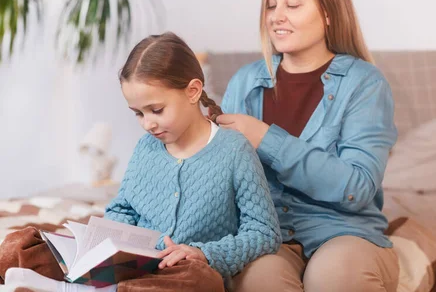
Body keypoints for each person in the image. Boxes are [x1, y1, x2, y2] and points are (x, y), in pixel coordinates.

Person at [0, 32, 282, 292]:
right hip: (128, 262)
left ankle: (69, 287)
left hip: (180, 267)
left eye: (156, 110)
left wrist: (204, 253)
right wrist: (110, 242)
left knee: (198, 280)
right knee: (20, 244)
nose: (148, 124)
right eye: (138, 113)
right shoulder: (147, 148)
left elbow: (264, 232)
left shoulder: (234, 150)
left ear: (193, 91)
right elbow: (122, 208)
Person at [215, 0, 400, 292]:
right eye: (271, 5)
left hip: (344, 233)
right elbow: (222, 180)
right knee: (257, 280)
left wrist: (264, 138)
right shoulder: (244, 82)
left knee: (333, 278)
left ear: (328, 13)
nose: (277, 17)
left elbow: (357, 186)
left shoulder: (365, 84)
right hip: (268, 237)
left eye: (293, 4)